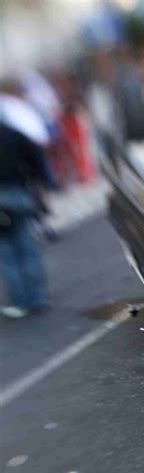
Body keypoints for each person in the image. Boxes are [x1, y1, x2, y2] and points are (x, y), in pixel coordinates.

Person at [0, 88, 56, 318]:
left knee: (7, 253)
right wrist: (44, 183)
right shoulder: (13, 134)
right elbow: (37, 158)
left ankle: (22, 301)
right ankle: (38, 297)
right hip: (20, 193)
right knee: (27, 246)